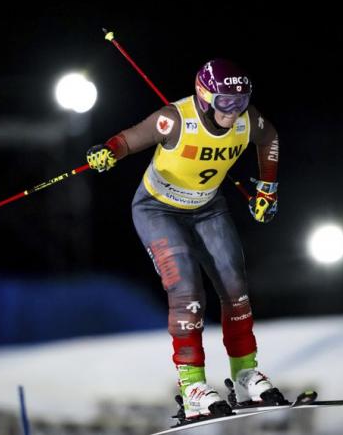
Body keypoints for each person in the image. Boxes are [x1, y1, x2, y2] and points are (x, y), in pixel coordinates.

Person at [86, 59, 282, 419]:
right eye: (225, 102)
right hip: (158, 210)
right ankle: (192, 387)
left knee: (235, 286)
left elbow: (269, 137)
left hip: (208, 207)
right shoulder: (175, 119)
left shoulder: (246, 120)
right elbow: (129, 139)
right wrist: (109, 151)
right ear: (206, 97)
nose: (234, 111)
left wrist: (267, 188)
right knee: (187, 289)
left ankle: (244, 376)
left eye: (240, 101)